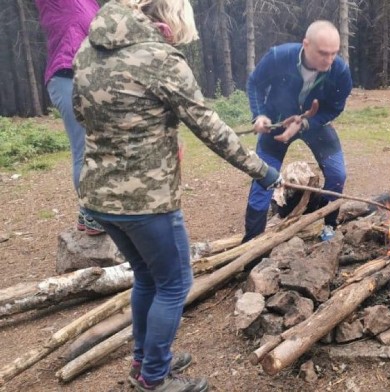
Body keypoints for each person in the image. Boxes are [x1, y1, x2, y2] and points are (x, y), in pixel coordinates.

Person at [72, 1, 283, 391]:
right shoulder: (160, 59)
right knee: (174, 283)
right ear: (168, 18)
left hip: (99, 196)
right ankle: (154, 378)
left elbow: (81, 113)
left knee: (147, 278)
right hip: (146, 201)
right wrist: (264, 171)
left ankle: (147, 361)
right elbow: (210, 128)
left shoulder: (88, 49)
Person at [244, 20, 353, 243]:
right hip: (278, 125)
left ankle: (328, 225)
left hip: (315, 126)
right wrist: (260, 115)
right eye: (323, 53)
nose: (329, 60)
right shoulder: (278, 57)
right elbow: (255, 83)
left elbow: (336, 107)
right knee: (263, 180)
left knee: (337, 174)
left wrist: (305, 123)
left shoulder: (340, 70)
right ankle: (251, 244)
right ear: (306, 44)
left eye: (334, 53)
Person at [34, 0, 104, 235]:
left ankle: (88, 214)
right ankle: (94, 216)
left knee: (100, 147)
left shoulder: (91, 4)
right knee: (84, 148)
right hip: (67, 76)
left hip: (92, 77)